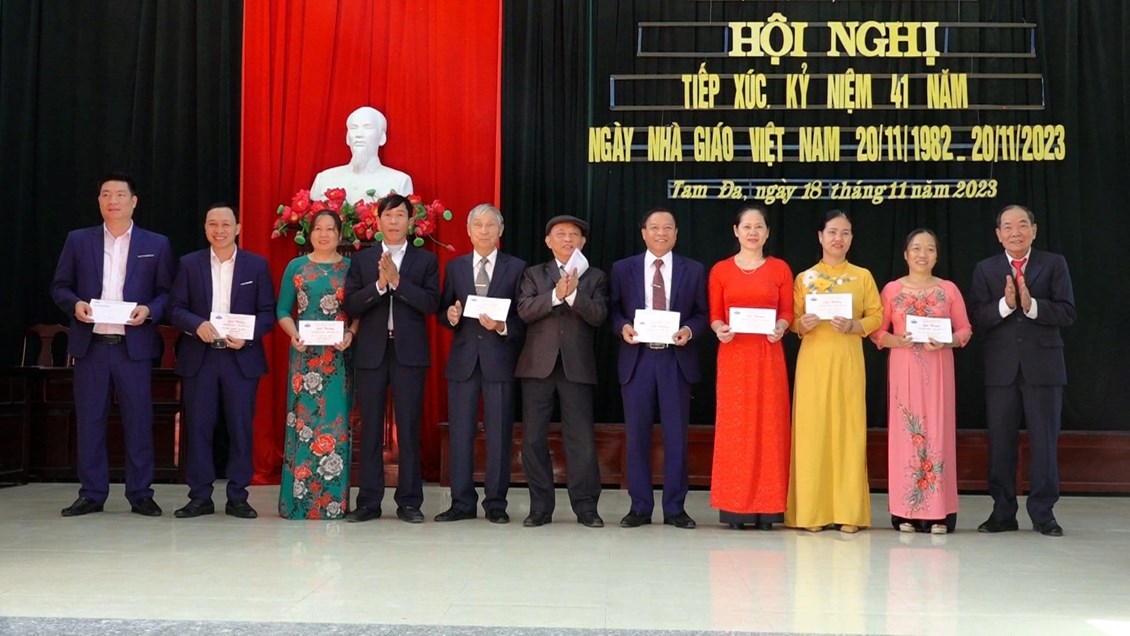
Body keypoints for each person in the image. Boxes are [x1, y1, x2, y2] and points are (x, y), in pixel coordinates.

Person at [50, 172, 175, 517]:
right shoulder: (78, 240)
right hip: (91, 347)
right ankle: (91, 493)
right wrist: (75, 304)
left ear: (134, 201)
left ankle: (140, 493)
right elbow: (60, 286)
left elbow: (167, 292)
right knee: (90, 421)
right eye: (106, 194)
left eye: (120, 194)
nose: (112, 200)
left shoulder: (156, 244)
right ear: (99, 201)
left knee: (139, 420)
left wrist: (150, 310)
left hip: (132, 347)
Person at [969, 204, 1075, 537]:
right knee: (1001, 443)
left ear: (1034, 229)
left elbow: (1068, 312)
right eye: (1008, 227)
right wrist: (1007, 305)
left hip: (1044, 368)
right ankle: (1003, 512)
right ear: (998, 234)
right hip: (1001, 370)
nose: (1016, 232)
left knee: (1044, 442)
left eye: (1022, 225)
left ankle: (1044, 514)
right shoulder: (986, 269)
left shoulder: (1054, 264)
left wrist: (1032, 306)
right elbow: (978, 317)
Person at [168, 203, 276, 519]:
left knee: (240, 428)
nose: (219, 230)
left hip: (240, 358)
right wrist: (196, 324)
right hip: (200, 357)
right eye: (213, 224)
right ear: (205, 228)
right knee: (198, 427)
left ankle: (238, 496)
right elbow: (175, 308)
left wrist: (248, 335)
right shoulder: (189, 264)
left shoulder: (256, 265)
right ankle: (199, 496)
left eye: (226, 224)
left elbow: (267, 312)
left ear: (238, 228)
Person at [343, 194, 440, 523]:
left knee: (409, 428)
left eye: (400, 215)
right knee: (370, 428)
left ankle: (409, 502)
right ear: (378, 220)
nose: (394, 221)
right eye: (388, 215)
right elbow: (351, 304)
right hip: (371, 352)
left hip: (409, 353)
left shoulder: (425, 261)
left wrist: (398, 281)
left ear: (411, 221)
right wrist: (380, 286)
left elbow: (431, 304)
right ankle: (368, 501)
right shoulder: (362, 260)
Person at [609, 208, 708, 530]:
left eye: (668, 228)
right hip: (637, 359)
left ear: (676, 233)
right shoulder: (622, 268)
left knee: (676, 436)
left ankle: (675, 508)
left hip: (675, 360)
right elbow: (613, 310)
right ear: (644, 233)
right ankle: (639, 506)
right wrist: (622, 326)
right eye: (654, 227)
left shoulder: (693, 270)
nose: (661, 233)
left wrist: (689, 331)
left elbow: (702, 313)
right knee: (637, 435)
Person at [786, 209, 882, 534]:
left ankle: (849, 513)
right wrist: (802, 324)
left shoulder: (862, 276)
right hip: (813, 362)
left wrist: (856, 325)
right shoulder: (804, 278)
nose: (838, 238)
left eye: (845, 232)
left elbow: (877, 315)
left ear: (852, 238)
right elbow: (791, 319)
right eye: (832, 232)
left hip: (847, 361)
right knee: (812, 433)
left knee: (848, 431)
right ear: (820, 236)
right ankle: (812, 513)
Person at [871, 229, 971, 534]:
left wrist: (947, 341)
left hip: (938, 370)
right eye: (916, 248)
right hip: (904, 370)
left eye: (929, 249)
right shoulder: (891, 290)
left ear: (937, 256)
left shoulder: (948, 290)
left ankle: (940, 513)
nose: (922, 254)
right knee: (906, 435)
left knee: (938, 433)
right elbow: (876, 331)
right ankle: (905, 512)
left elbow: (965, 330)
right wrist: (896, 340)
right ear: (905, 254)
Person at [515, 215, 608, 528]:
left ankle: (586, 508)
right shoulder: (533, 273)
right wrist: (556, 295)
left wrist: (574, 295)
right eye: (560, 233)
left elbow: (599, 315)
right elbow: (525, 310)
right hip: (537, 366)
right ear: (548, 241)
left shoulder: (595, 277)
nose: (568, 239)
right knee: (533, 439)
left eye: (574, 234)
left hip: (576, 366)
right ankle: (540, 508)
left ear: (583, 242)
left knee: (581, 439)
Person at [436, 204, 526, 524]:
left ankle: (496, 504)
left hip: (500, 360)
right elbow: (444, 309)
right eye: (478, 225)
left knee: (499, 434)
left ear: (500, 231)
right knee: (460, 433)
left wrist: (502, 326)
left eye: (491, 225)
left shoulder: (517, 268)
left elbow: (524, 317)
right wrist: (450, 316)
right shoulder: (456, 267)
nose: (484, 230)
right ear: (469, 231)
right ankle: (461, 502)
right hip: (463, 361)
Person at [708, 204, 793, 530]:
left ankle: (768, 508)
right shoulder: (720, 270)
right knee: (736, 429)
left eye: (759, 227)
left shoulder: (780, 269)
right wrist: (719, 328)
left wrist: (782, 327)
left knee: (769, 427)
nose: (753, 232)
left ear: (767, 233)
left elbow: (787, 312)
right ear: (736, 231)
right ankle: (735, 507)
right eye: (747, 227)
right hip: (734, 356)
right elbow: (715, 315)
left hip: (768, 355)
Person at [276, 210, 356, 520]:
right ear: (309, 234)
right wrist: (293, 333)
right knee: (303, 425)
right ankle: (298, 503)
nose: (324, 234)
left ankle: (333, 504)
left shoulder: (349, 268)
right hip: (304, 356)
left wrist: (351, 334)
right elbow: (283, 310)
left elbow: (359, 313)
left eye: (330, 229)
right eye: (318, 229)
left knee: (335, 424)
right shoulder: (296, 267)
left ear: (340, 234)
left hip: (337, 359)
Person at [310, 106, 413, 202]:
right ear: (347, 138)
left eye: (367, 127)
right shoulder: (324, 179)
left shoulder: (400, 181)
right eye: (354, 128)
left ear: (382, 137)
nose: (359, 134)